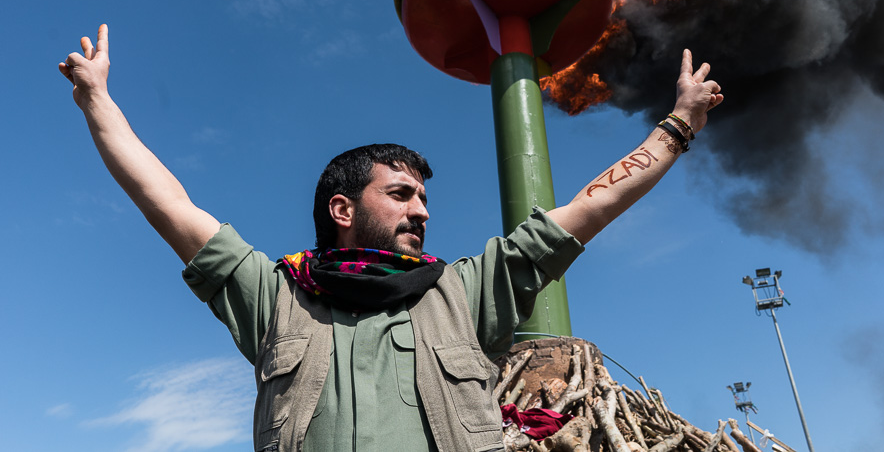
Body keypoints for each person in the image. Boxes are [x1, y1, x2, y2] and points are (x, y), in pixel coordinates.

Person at [60, 24, 723, 452]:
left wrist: (676, 128)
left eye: (425, 199)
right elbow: (167, 202)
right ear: (343, 209)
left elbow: (588, 207)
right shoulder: (274, 296)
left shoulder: (466, 290)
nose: (423, 211)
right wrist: (97, 101)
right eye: (402, 194)